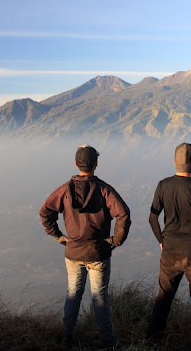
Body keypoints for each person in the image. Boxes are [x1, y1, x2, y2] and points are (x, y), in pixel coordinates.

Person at [39, 145, 131, 348]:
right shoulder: (104, 189)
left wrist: (57, 235)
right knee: (100, 298)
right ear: (95, 164)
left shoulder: (64, 190)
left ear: (75, 164)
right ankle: (107, 342)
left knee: (73, 294)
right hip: (98, 253)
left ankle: (67, 338)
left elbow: (45, 211)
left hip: (72, 252)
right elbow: (123, 213)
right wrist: (115, 240)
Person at [146, 142, 191, 348]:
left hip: (170, 250)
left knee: (164, 296)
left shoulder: (163, 185)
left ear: (174, 162)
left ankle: (153, 340)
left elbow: (153, 218)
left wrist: (162, 241)